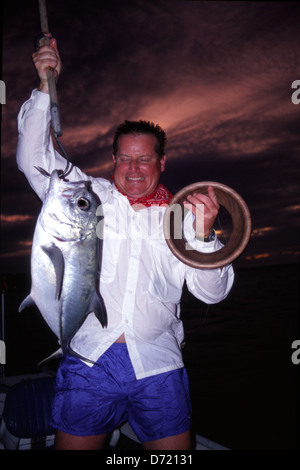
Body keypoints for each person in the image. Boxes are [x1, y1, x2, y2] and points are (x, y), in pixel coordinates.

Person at [16, 36, 234, 450]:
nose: (134, 169)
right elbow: (32, 157)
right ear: (114, 160)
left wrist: (205, 235)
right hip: (88, 359)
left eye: (145, 158)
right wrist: (46, 86)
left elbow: (213, 293)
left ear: (162, 162)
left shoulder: (181, 215)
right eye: (125, 158)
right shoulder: (85, 194)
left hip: (159, 363)